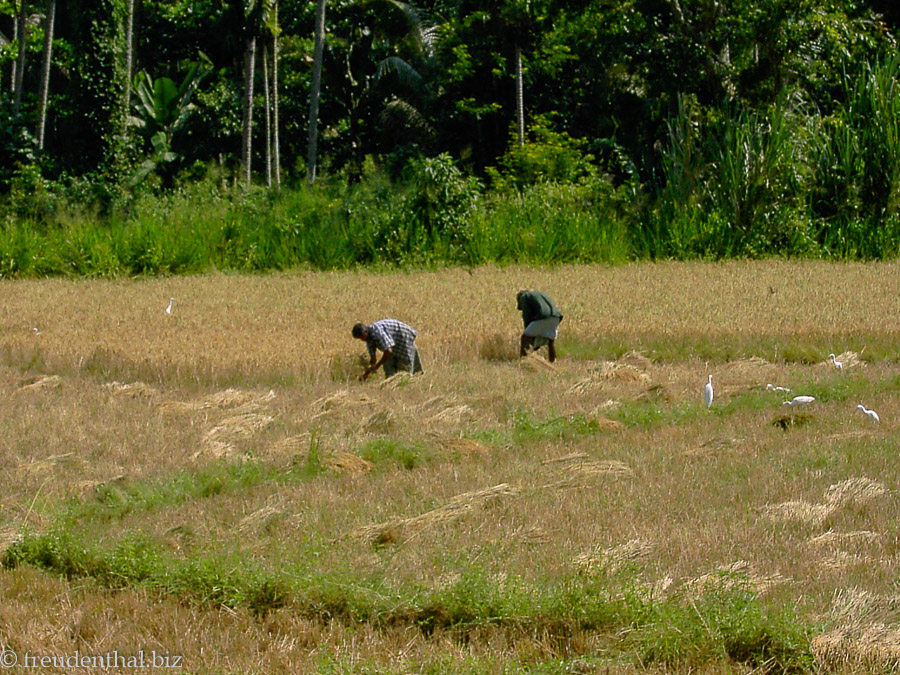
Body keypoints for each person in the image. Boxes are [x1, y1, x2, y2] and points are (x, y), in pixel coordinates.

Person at [352, 319, 424, 380]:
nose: (362, 340)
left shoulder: (377, 332)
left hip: (403, 338)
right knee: (388, 366)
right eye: (360, 338)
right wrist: (367, 372)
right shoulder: (368, 338)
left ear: (366, 332)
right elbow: (373, 358)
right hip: (392, 343)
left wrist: (377, 366)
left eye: (362, 337)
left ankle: (406, 384)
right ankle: (391, 383)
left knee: (405, 366)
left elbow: (388, 351)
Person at [516, 289, 563, 362]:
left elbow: (526, 315)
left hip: (543, 316)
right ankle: (552, 361)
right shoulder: (541, 294)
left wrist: (527, 330)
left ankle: (523, 361)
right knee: (550, 341)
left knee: (525, 337)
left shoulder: (524, 297)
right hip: (556, 317)